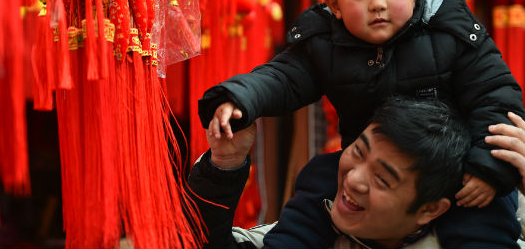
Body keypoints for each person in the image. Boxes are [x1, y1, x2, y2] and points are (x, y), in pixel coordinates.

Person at [198, 0, 525, 248]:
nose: (377, 3)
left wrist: (488, 168)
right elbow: (281, 77)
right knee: (318, 182)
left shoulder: (450, 32)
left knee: (486, 213)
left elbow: (495, 96)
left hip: (459, 169)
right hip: (366, 159)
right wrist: (239, 98)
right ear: (334, 5)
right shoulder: (325, 45)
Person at [189, 97, 475, 248]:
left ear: (430, 208)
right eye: (359, 153)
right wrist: (224, 163)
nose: (353, 179)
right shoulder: (298, 237)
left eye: (382, 179)